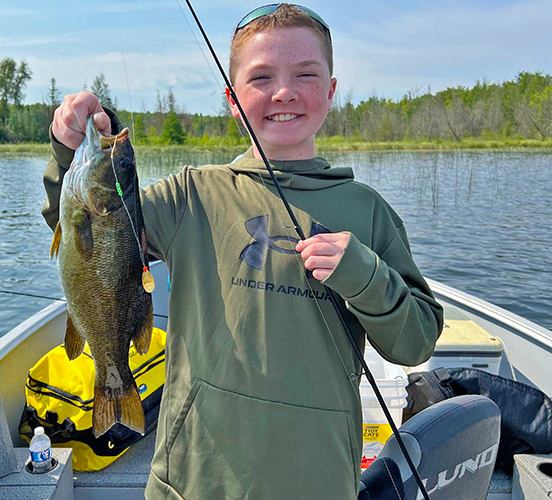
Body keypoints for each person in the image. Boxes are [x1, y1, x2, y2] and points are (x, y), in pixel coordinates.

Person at [42, 4, 443, 499]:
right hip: (190, 480)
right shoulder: (190, 194)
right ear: (233, 99)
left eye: (306, 74)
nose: (284, 92)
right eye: (261, 77)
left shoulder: (369, 212)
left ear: (332, 91)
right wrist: (73, 148)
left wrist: (364, 275)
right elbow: (95, 238)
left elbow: (415, 343)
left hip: (315, 480)